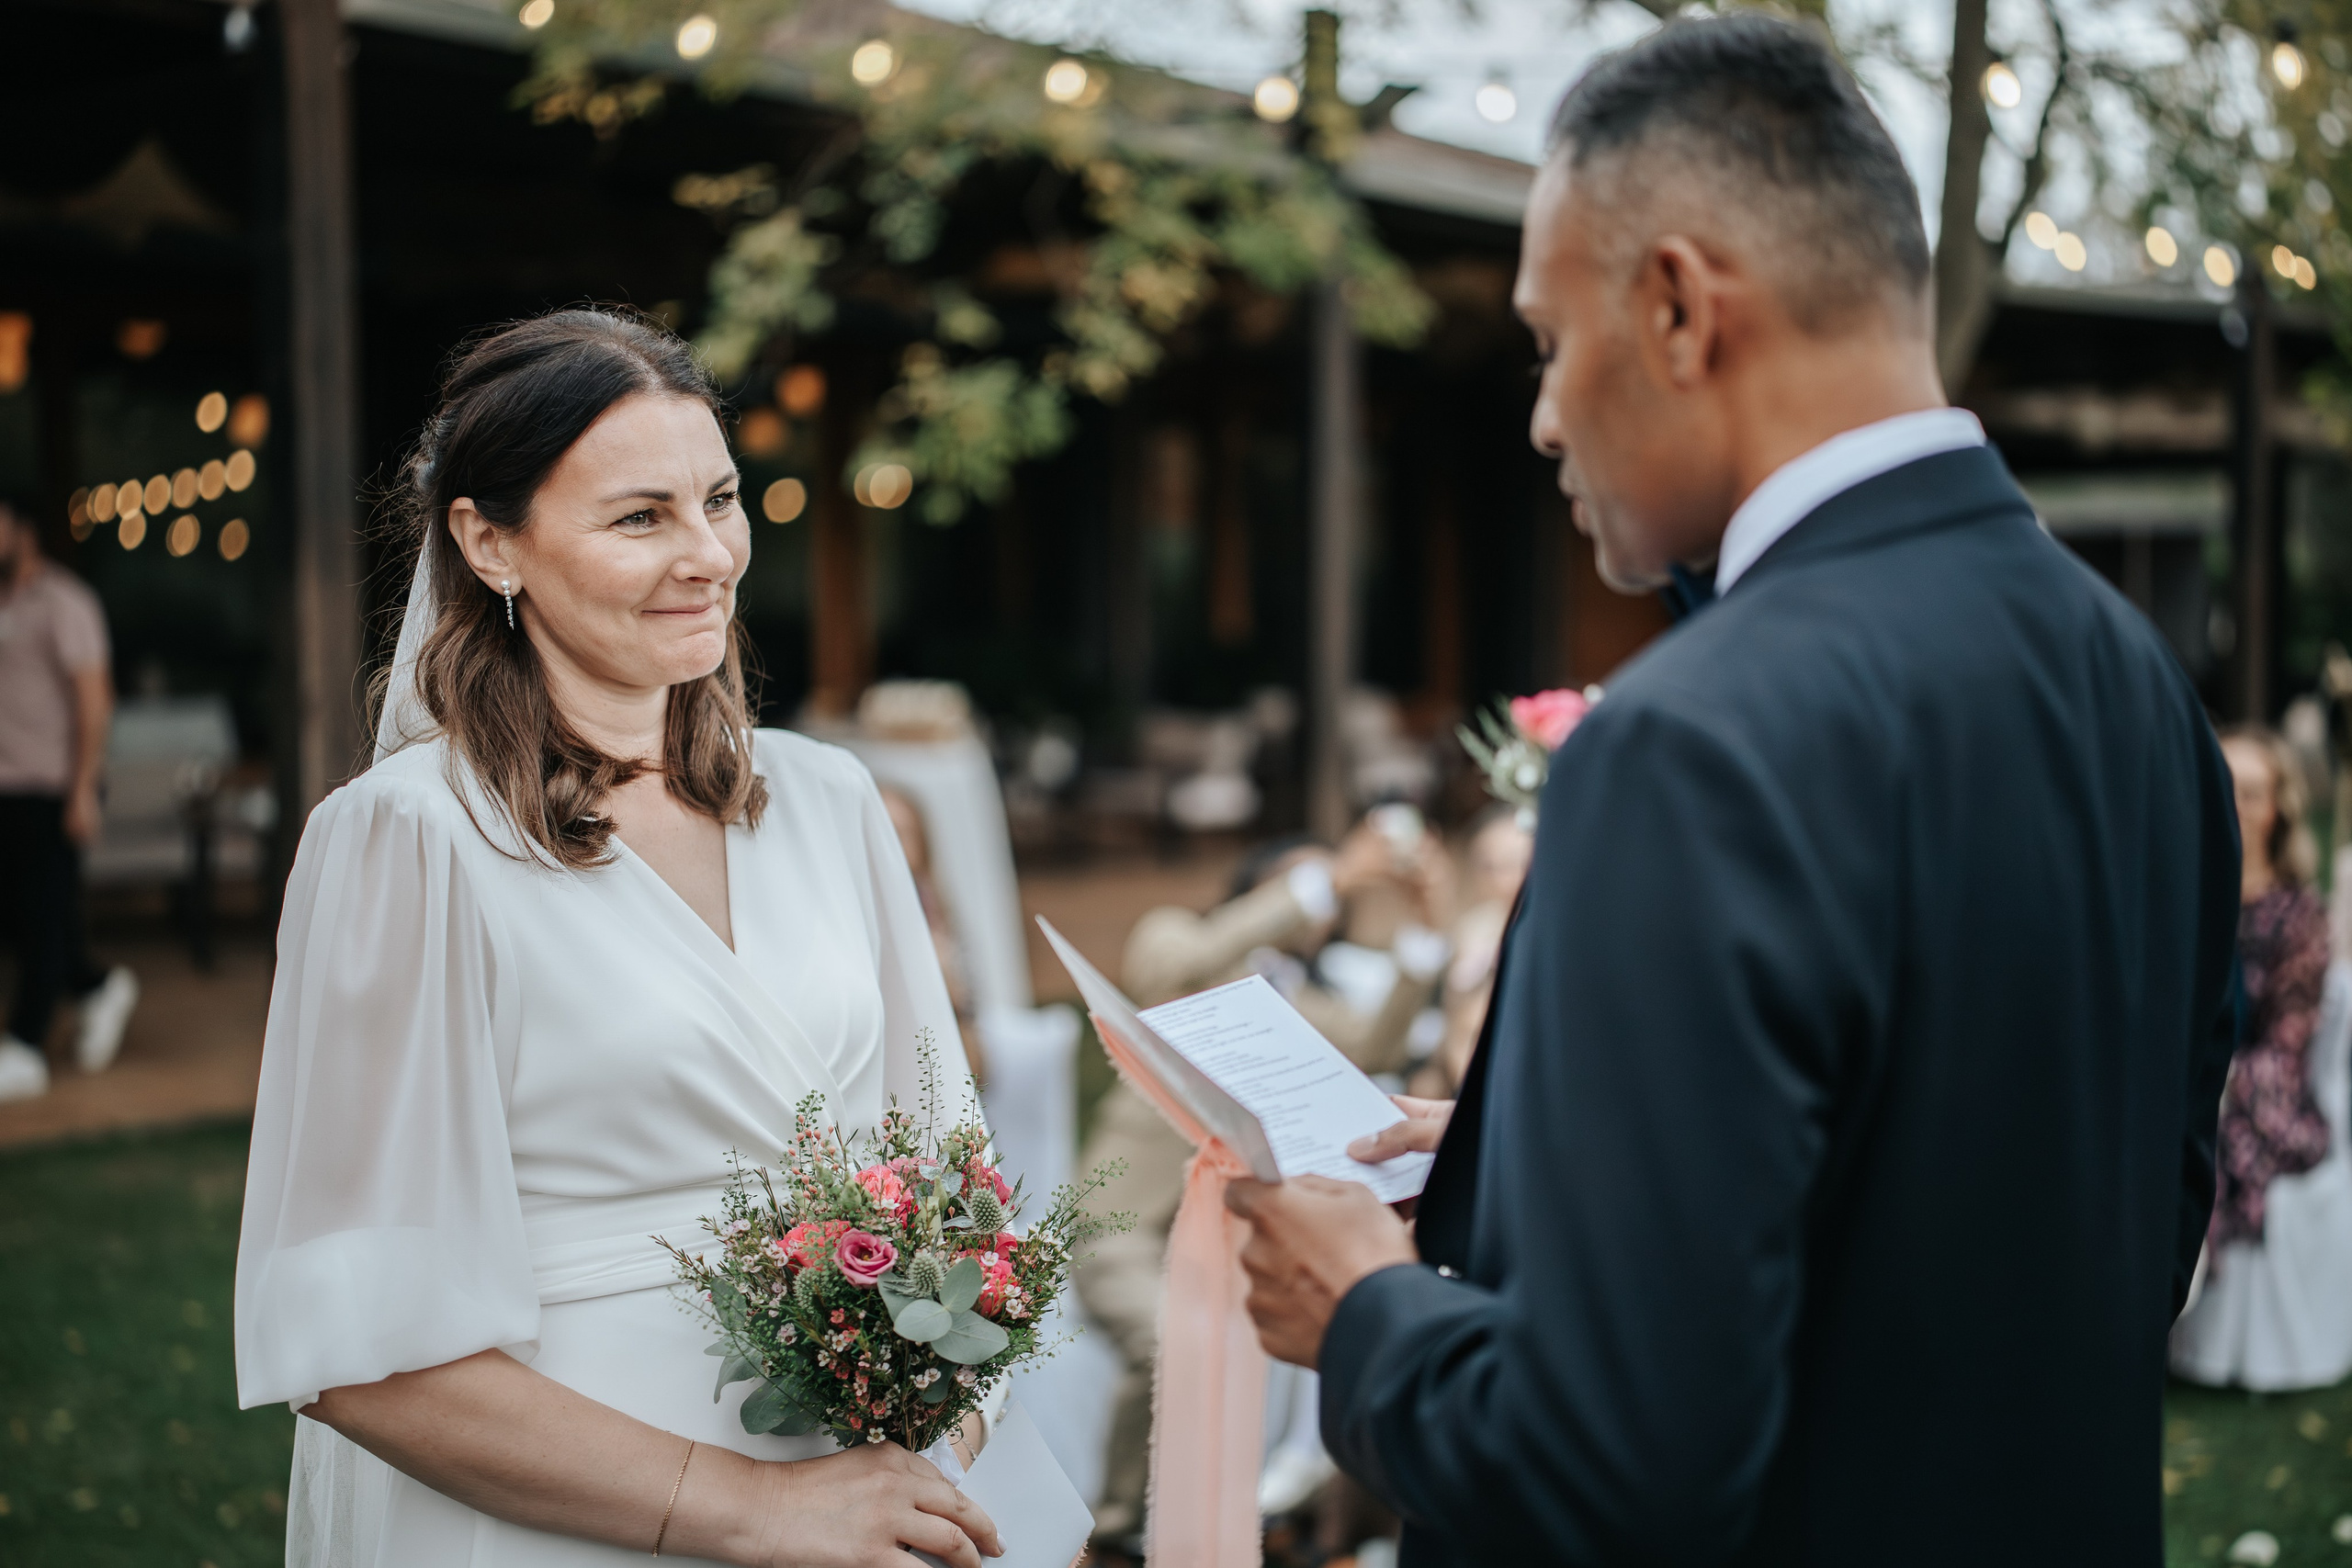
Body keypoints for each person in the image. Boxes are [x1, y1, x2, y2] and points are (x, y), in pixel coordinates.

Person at [1220, 18, 2240, 1566]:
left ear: (1682, 308)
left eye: (1552, 342)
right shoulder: (2141, 683)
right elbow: (2120, 1229)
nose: (1546, 416)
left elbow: (1617, 1463)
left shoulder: (1692, 740)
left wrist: (1363, 1315)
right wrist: (1527, 1157)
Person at [232, 310, 1001, 1568]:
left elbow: (948, 1168)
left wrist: (945, 1413)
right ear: (489, 542)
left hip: (857, 1501)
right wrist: (753, 1505)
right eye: (640, 517)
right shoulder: (409, 840)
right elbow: (350, 1348)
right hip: (557, 1517)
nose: (707, 554)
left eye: (721, 500)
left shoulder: (829, 801)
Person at [1075, 818, 1445, 1554]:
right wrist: (1328, 876)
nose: (1326, 904)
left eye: (1335, 896)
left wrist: (1425, 925)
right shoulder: (1177, 940)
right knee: (1165, 1339)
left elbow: (1380, 1042)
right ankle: (1120, 1533)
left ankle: (1235, 1521)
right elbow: (1166, 976)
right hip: (1124, 1226)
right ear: (1257, 890)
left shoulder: (1296, 1001)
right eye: (1302, 889)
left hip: (1232, 1236)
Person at [0, 488, 139, 1101]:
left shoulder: (65, 602)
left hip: (54, 785)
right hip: (5, 786)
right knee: (31, 917)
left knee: (41, 913)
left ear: (22, 529)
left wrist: (82, 790)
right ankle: (96, 985)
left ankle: (25, 1043)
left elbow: (93, 700)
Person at [2204, 728, 2333, 1265]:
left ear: (2276, 810)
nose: (2235, 801)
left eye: (2252, 791)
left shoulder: (2295, 916)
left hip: (2258, 1095)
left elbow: (2286, 1047)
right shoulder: (2192, 897)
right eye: (2225, 784)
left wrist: (2219, 1082)